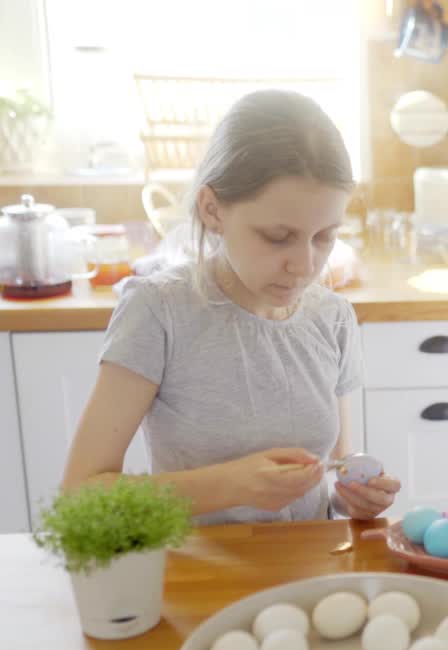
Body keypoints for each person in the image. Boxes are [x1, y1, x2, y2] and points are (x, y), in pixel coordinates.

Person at [62, 89, 400, 524]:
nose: (304, 266)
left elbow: (334, 477)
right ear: (212, 210)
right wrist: (232, 486)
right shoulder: (159, 310)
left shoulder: (332, 317)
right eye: (278, 237)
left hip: (312, 576)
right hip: (201, 579)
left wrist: (354, 496)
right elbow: (81, 496)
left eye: (324, 237)